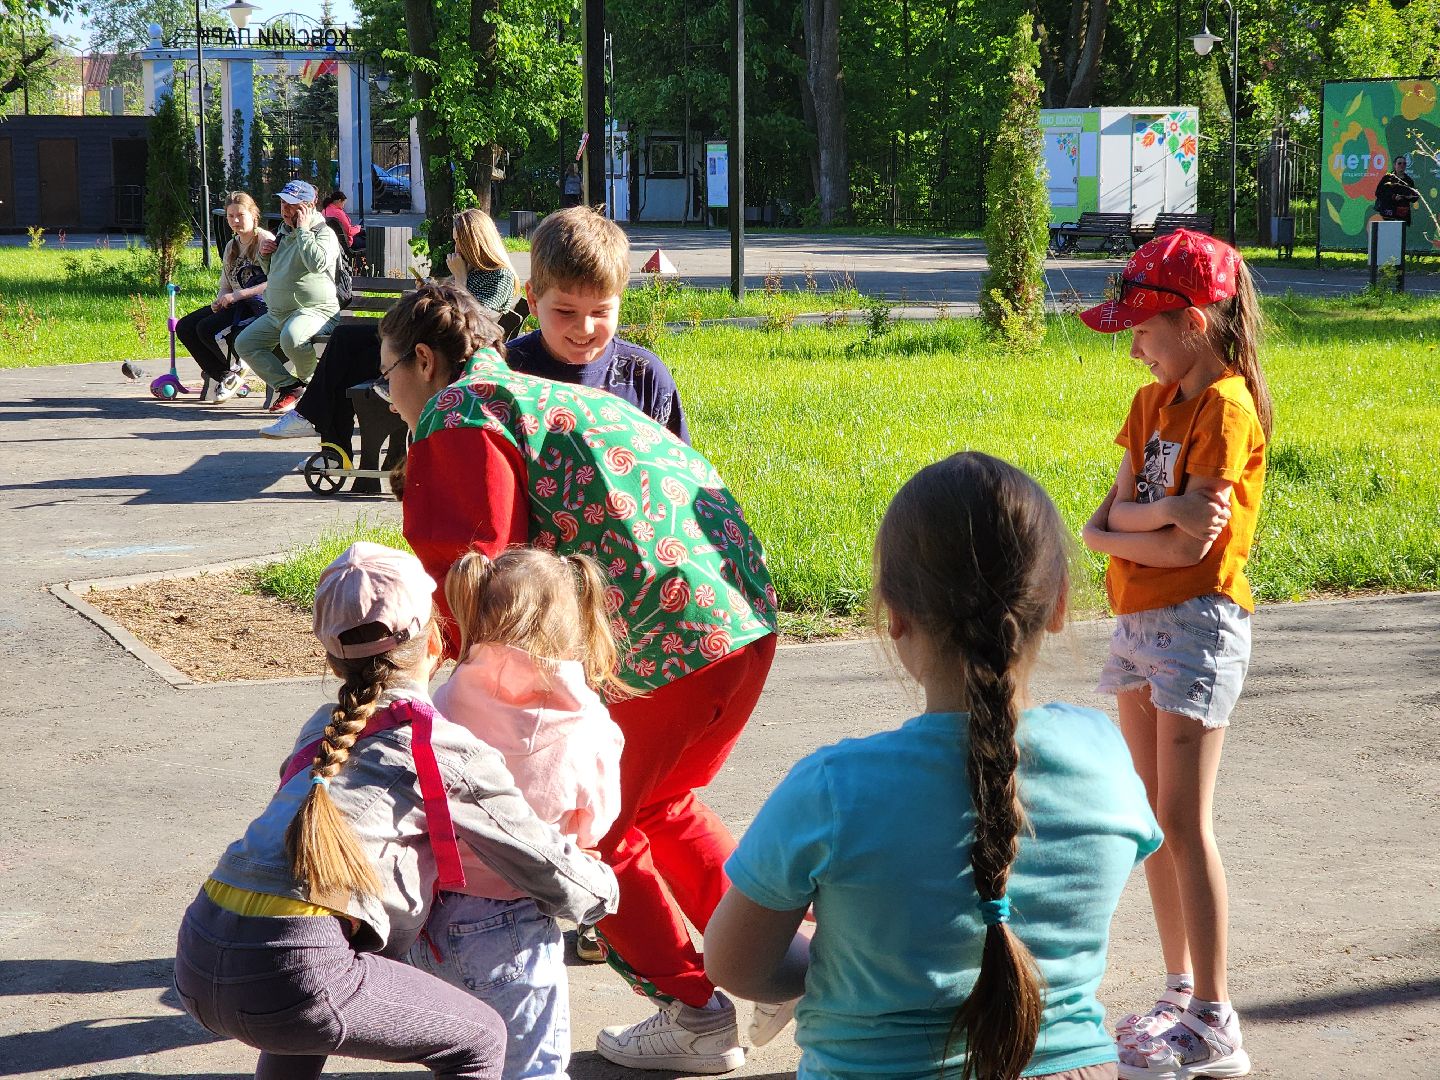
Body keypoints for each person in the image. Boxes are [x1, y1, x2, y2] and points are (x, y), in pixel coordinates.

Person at [379, 284, 778, 1073]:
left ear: (423, 361)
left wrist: (414, 678)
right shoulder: (529, 395)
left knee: (596, 834)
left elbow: (477, 577)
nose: (389, 396)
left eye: (388, 374)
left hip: (665, 642)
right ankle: (787, 964)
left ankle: (695, 1012)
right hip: (738, 621)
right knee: (662, 808)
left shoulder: (458, 414)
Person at [705, 451, 1163, 1080]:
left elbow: (734, 964)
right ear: (1058, 605)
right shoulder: (1103, 755)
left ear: (893, 613)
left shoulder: (833, 790)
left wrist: (830, 962)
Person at [173, 542, 618, 1080]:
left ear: (331, 657)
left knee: (303, 1021)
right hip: (294, 967)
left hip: (199, 953)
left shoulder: (322, 729)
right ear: (435, 638)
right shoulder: (438, 746)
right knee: (479, 1037)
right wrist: (602, 892)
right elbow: (538, 857)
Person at [1077, 228, 1270, 1080]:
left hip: (1199, 626)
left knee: (1187, 821)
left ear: (1193, 321)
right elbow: (1106, 525)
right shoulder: (1152, 405)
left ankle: (1216, 1017)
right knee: (1153, 822)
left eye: (1144, 331)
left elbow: (1195, 554)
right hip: (1138, 626)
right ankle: (1177, 989)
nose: (1135, 346)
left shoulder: (1225, 405)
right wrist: (1155, 520)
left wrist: (1129, 531)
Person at [407, 548, 627, 1079]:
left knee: (465, 1059)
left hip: (431, 916)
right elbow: (593, 823)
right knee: (533, 1067)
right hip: (518, 919)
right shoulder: (587, 724)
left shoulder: (449, 698)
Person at [262, 208, 519, 444]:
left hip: (440, 356)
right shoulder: (468, 270)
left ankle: (314, 425)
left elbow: (478, 323)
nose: (455, 247)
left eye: (459, 241)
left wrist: (459, 279)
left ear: (475, 241)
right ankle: (329, 446)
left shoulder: (499, 275)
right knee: (345, 343)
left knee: (345, 357)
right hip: (420, 345)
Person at [505, 206, 689, 443]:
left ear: (619, 300)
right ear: (532, 300)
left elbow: (678, 469)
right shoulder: (506, 373)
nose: (585, 328)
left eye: (600, 311)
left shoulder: (645, 377)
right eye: (566, 311)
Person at [235, 179, 342, 416]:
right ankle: (291, 387)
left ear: (308, 206)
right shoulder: (283, 233)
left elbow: (317, 264)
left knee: (292, 338)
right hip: (278, 313)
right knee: (245, 343)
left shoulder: (323, 233)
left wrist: (303, 231)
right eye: (283, 203)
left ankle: (314, 385)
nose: (285, 209)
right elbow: (275, 273)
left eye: (292, 205)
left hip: (315, 310)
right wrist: (265, 256)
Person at [173, 191, 272, 402]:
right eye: (230, 216)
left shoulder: (265, 240)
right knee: (185, 327)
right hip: (235, 302)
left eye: (240, 215)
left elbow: (273, 282)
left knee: (206, 329)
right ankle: (225, 375)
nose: (235, 221)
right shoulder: (231, 245)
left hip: (258, 305)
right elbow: (226, 284)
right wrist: (220, 300)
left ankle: (234, 368)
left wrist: (237, 296)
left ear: (253, 214)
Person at [1374, 155, 1420, 223]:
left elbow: (1414, 197)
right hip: (1388, 213)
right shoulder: (1387, 178)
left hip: (1402, 214)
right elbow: (1378, 193)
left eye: (1404, 163)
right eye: (1399, 163)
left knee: (1400, 232)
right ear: (1394, 165)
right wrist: (1393, 196)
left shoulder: (1409, 180)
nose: (1402, 165)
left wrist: (1411, 197)